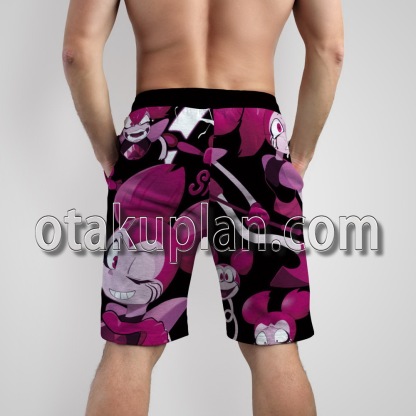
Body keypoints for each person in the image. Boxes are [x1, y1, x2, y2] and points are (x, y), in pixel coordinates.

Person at [62, 0, 344, 415]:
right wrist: (297, 159)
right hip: (254, 139)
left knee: (130, 344)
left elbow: (77, 52)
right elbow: (330, 50)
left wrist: (111, 159)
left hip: (159, 136)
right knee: (274, 341)